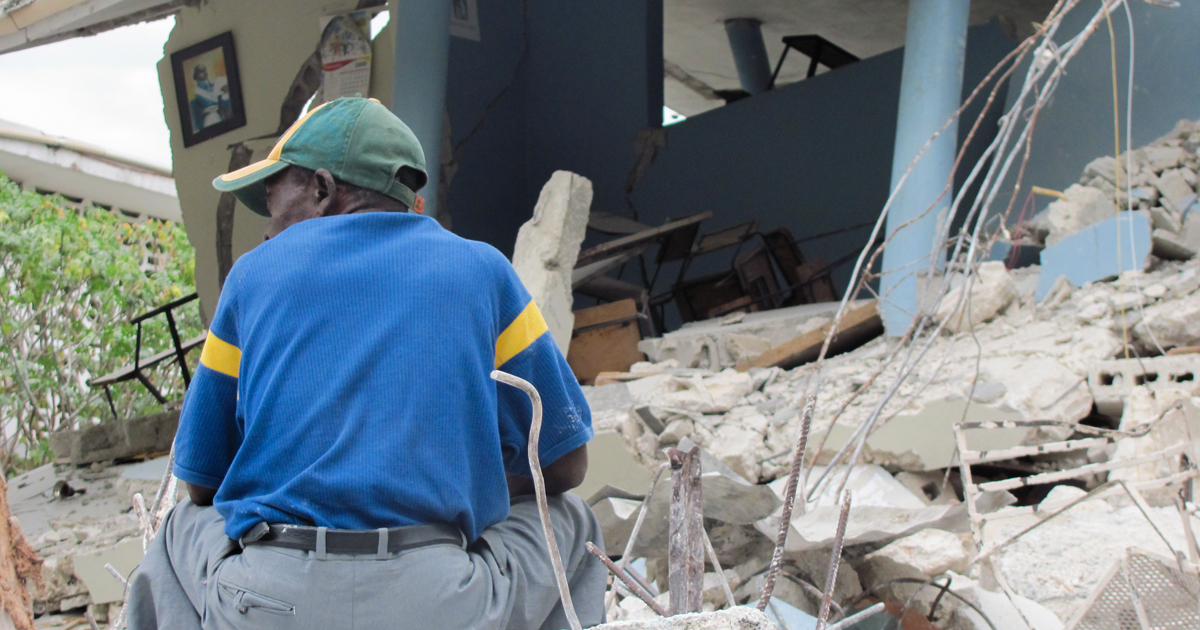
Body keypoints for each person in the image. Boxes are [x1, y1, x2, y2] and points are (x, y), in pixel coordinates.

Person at [127, 97, 607, 630]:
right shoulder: (483, 271)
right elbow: (566, 466)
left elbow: (200, 483)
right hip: (442, 603)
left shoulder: (251, 276)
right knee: (571, 520)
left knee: (177, 531)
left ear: (323, 189)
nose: (267, 228)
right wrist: (470, 491)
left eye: (272, 198)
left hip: (270, 606)